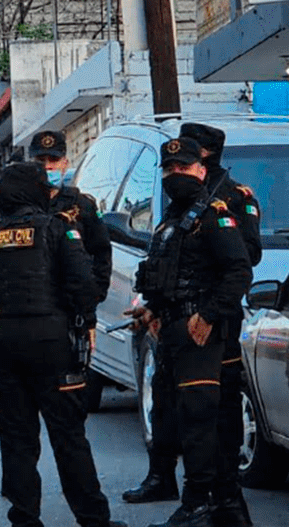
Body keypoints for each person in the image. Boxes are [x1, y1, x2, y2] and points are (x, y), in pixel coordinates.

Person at [0, 162, 125, 527]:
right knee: (69, 436)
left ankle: (25, 518)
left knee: (16, 440)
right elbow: (83, 285)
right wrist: (84, 320)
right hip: (51, 341)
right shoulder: (57, 229)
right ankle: (93, 519)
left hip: (2, 343)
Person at [124, 124, 261, 527]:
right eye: (169, 168)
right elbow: (168, 270)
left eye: (184, 165)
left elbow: (241, 265)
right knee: (175, 409)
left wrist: (210, 313)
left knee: (210, 416)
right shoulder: (172, 218)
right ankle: (210, 498)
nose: (174, 175)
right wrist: (152, 308)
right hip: (174, 325)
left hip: (208, 325)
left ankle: (208, 501)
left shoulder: (223, 207)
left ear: (203, 163)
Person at [30, 131, 113, 301]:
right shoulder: (17, 203)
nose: (47, 167)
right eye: (41, 161)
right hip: (30, 300)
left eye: (53, 160)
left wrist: (94, 295)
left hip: (70, 302)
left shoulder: (81, 205)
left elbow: (101, 252)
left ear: (65, 164)